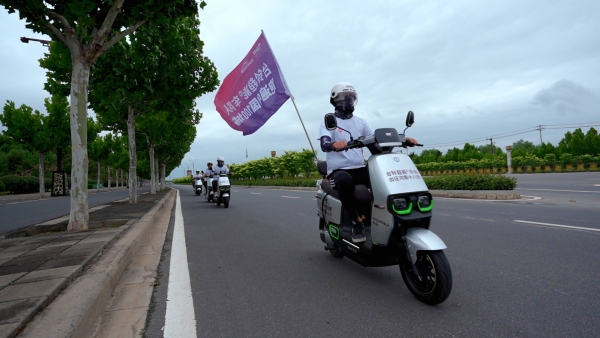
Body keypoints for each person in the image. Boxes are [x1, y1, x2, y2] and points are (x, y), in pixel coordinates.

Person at [318, 82, 418, 243]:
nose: (348, 102)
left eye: (351, 98)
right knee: (343, 180)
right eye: (344, 98)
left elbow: (376, 138)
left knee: (385, 177)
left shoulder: (361, 122)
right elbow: (324, 144)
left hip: (360, 168)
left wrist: (403, 140)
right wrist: (334, 144)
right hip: (339, 170)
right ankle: (356, 222)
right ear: (334, 101)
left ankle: (391, 217)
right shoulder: (329, 123)